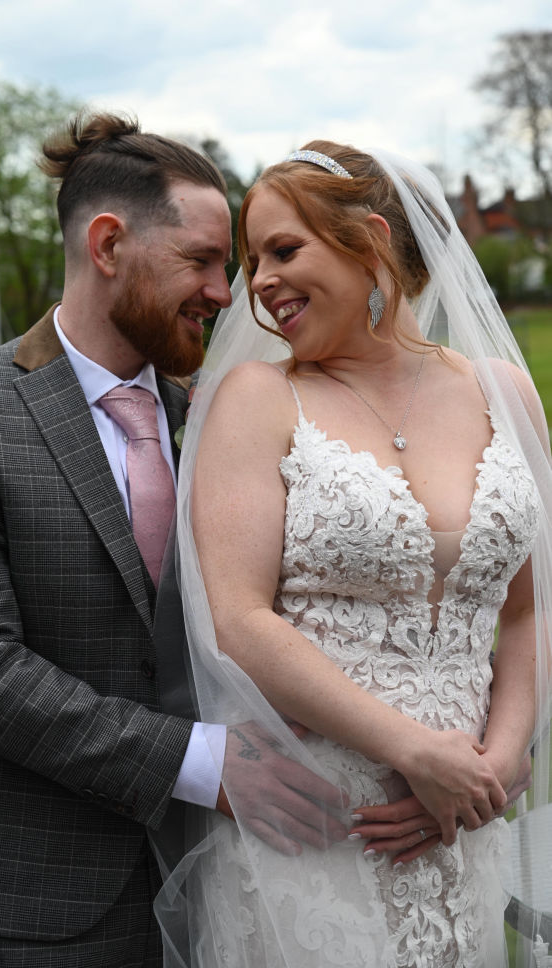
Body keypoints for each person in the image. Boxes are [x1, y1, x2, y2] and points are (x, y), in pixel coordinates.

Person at [0, 115, 350, 968]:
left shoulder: (220, 420)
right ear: (108, 243)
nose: (228, 292)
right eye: (201, 261)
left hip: (233, 883)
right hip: (37, 900)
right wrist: (201, 764)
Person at [156, 143, 552, 966]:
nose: (257, 282)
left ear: (370, 240)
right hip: (323, 831)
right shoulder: (260, 398)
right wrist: (413, 750)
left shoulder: (503, 393)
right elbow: (239, 619)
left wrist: (501, 759)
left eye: (283, 249)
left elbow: (528, 608)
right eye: (251, 258)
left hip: (458, 828)